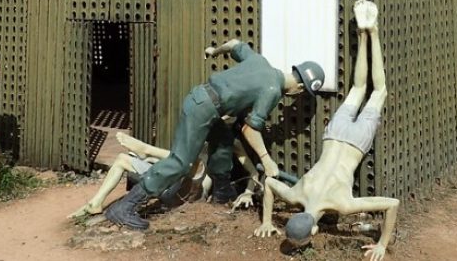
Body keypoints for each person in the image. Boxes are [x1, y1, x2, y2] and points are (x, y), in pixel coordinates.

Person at [103, 38, 325, 231]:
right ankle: (126, 206)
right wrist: (267, 161)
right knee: (180, 163)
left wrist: (215, 51)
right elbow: (250, 129)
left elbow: (235, 44)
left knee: (224, 141)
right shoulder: (273, 90)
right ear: (300, 88)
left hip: (207, 104)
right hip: (202, 108)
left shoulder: (261, 62)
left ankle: (222, 193)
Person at [254, 0, 399, 261]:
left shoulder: (342, 205)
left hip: (355, 142)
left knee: (379, 91)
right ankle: (363, 33)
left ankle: (372, 32)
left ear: (314, 228)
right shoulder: (296, 193)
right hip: (334, 135)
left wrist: (382, 244)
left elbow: (392, 204)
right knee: (358, 89)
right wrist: (267, 219)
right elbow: (270, 183)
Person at [68, 130, 260, 219]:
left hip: (195, 191)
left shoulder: (231, 143)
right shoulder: (199, 135)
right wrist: (152, 163)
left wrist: (249, 192)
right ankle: (95, 203)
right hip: (172, 184)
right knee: (122, 159)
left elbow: (254, 173)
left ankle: (148, 149)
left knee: (195, 163)